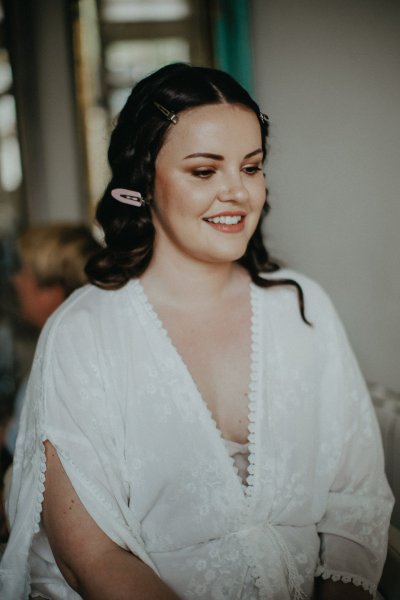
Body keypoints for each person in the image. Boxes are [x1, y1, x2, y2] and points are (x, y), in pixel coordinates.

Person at [0, 63, 393, 600]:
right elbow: (90, 556)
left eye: (251, 167)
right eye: (205, 171)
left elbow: (355, 498)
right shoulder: (84, 333)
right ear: (141, 182)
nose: (237, 192)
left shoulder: (303, 309)